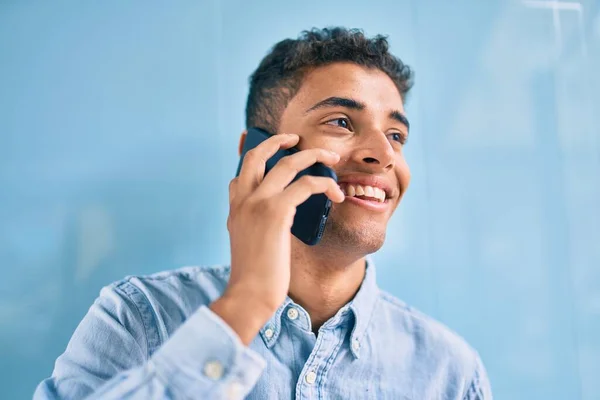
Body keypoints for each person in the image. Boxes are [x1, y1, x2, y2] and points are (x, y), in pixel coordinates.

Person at [35, 27, 492, 399]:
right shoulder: (138, 318)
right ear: (258, 153)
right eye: (341, 122)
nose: (383, 155)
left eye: (395, 135)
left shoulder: (449, 372)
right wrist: (246, 304)